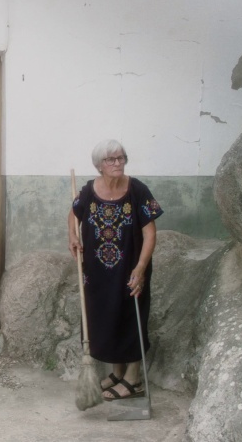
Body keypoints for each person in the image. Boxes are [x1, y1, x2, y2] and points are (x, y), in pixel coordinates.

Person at [68, 139, 163, 401]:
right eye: (111, 159)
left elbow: (150, 233)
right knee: (106, 318)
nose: (117, 163)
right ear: (99, 165)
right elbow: (74, 214)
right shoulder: (89, 191)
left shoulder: (137, 190)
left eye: (120, 158)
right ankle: (118, 373)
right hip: (97, 272)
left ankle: (133, 379)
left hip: (130, 268)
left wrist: (141, 268)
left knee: (131, 318)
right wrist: (72, 236)